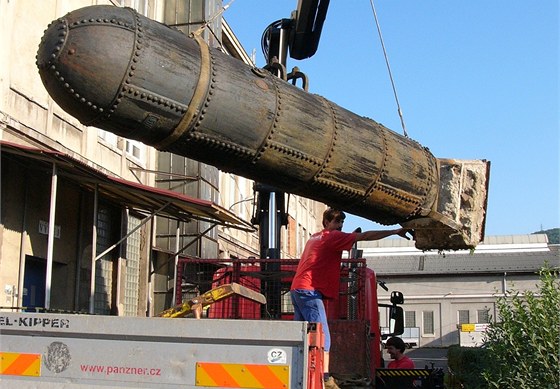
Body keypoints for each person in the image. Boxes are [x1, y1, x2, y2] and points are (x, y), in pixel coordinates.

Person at [290, 208, 412, 389]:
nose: (339, 225)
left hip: (296, 288)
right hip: (309, 290)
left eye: (341, 222)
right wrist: (395, 231)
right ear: (326, 223)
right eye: (336, 222)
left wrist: (350, 236)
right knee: (323, 337)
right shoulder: (333, 237)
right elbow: (367, 236)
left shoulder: (315, 237)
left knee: (301, 336)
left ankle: (299, 372)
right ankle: (324, 378)